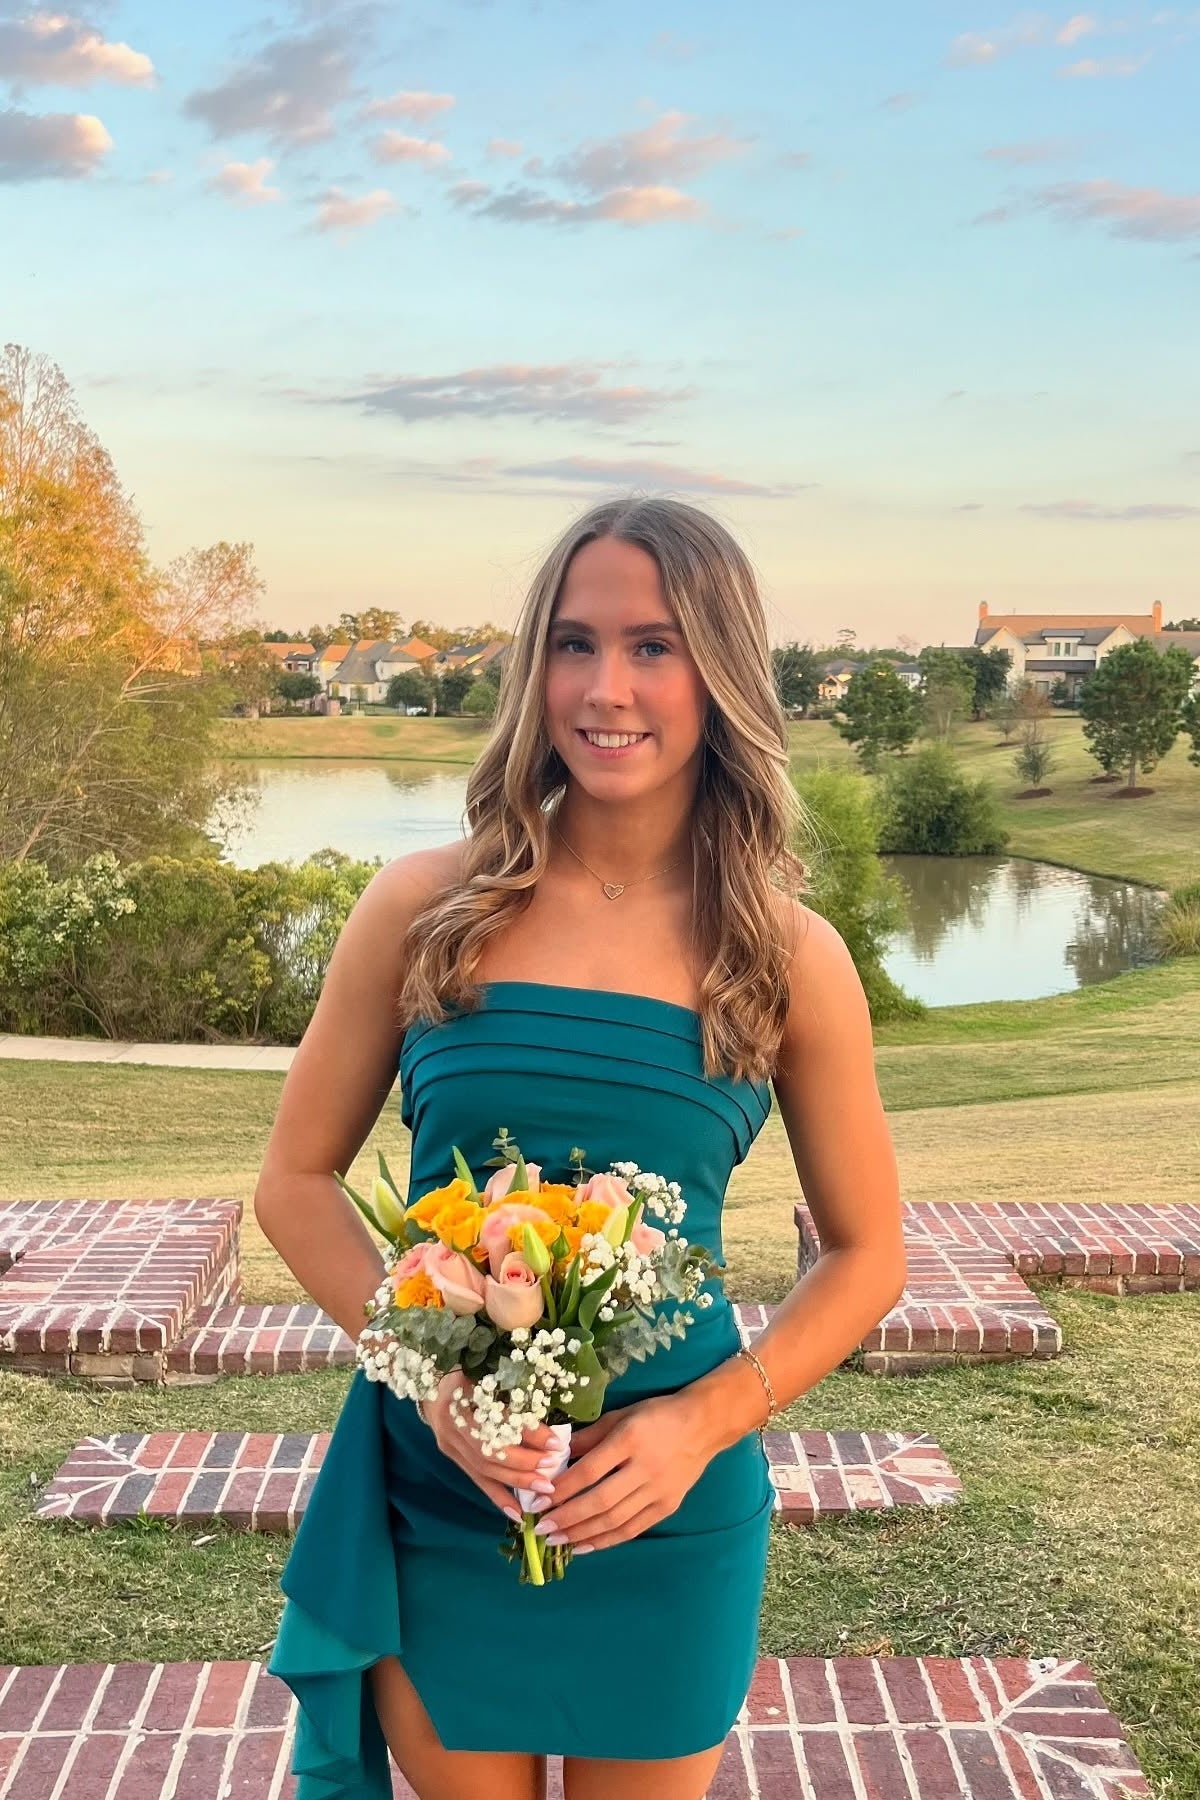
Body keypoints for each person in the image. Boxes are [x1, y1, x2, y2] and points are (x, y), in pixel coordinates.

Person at [254, 494, 906, 1800]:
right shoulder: (423, 909)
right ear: (534, 668)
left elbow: (868, 1254)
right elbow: (295, 1186)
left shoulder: (790, 956)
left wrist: (699, 1428)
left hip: (671, 1510)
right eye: (574, 643)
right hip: (446, 1497)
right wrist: (434, 1390)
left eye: (655, 646)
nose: (608, 688)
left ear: (718, 671)